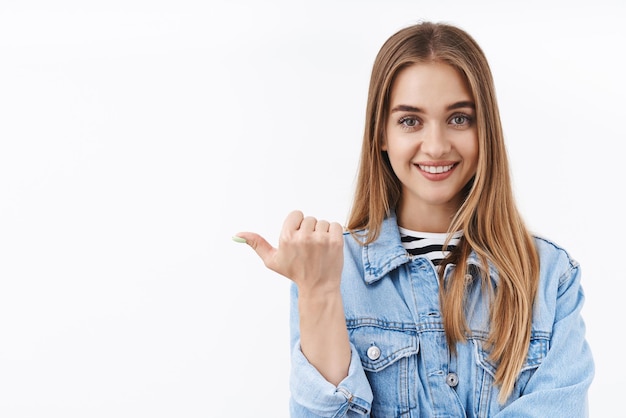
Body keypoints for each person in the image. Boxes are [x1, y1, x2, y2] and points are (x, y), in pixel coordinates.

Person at [233, 21, 594, 417]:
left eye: (459, 118)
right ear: (382, 134)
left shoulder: (548, 277)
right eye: (410, 120)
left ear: (485, 129)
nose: (436, 146)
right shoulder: (334, 271)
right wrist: (318, 291)